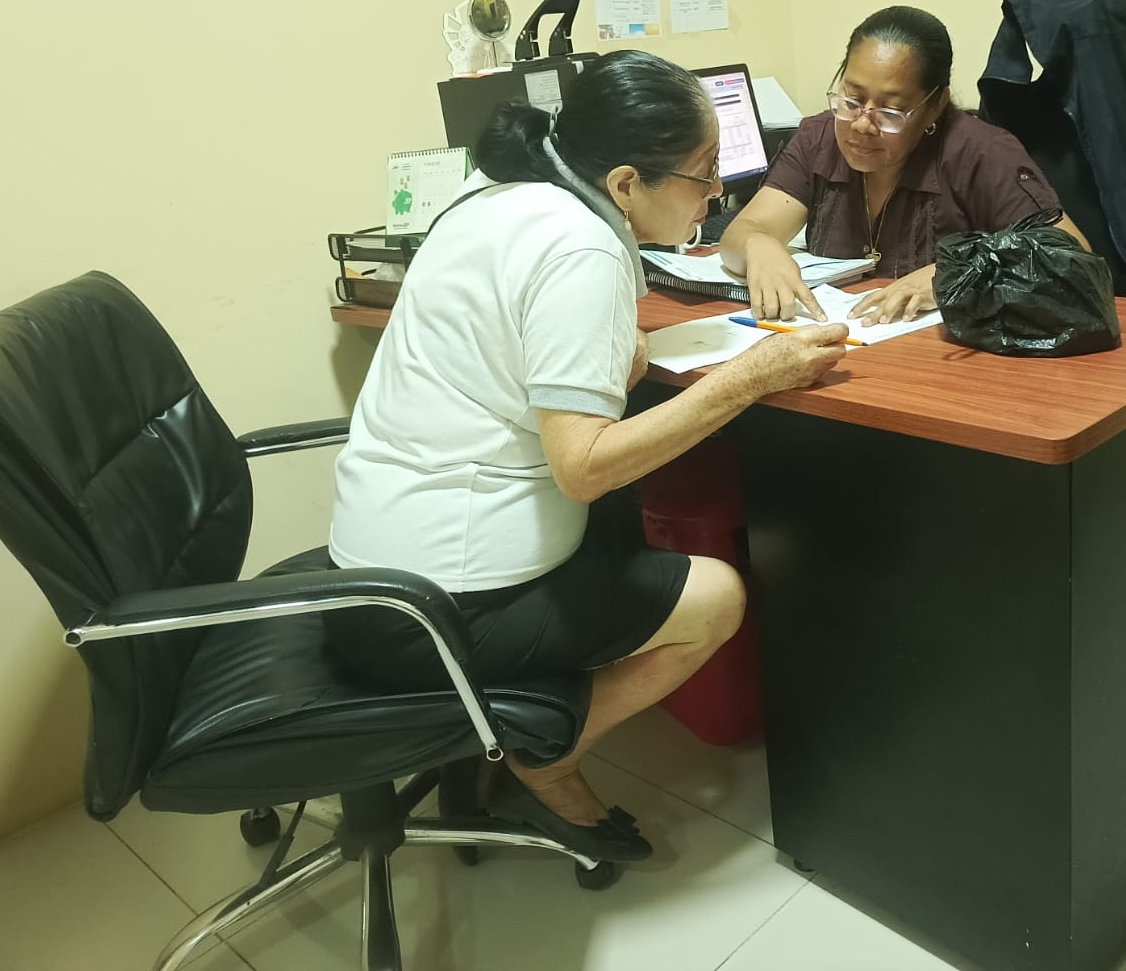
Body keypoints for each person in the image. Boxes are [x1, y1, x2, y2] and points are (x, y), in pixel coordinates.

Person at [327, 50, 851, 863]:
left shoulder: (494, 196)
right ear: (626, 183)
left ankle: (518, 716)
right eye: (704, 174)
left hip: (372, 564)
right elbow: (584, 467)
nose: (717, 195)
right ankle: (549, 754)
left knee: (632, 510)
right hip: (437, 604)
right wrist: (751, 376)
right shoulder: (583, 249)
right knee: (717, 595)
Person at [720, 5, 1087, 324]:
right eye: (852, 99)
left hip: (946, 360)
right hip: (840, 343)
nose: (862, 125)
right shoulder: (819, 139)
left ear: (935, 105)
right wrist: (758, 245)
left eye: (891, 110)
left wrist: (956, 274)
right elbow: (738, 235)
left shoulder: (981, 153)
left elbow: (1072, 260)